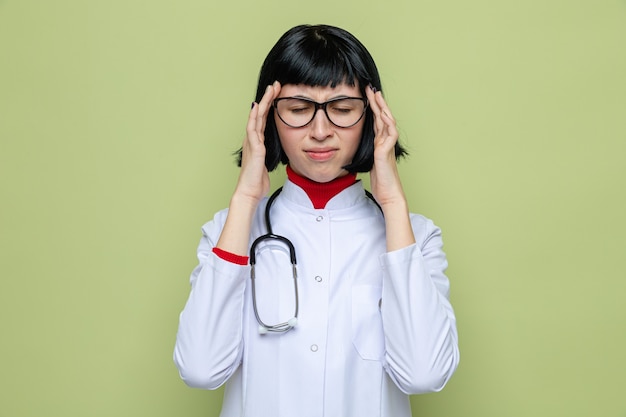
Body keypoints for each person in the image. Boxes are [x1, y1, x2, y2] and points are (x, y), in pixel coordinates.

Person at [174, 24, 459, 417]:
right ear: (266, 118)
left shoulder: (416, 238)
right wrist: (244, 200)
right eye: (297, 110)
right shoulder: (229, 233)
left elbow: (424, 374)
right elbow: (200, 369)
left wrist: (392, 202)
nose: (321, 131)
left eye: (342, 110)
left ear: (373, 117)